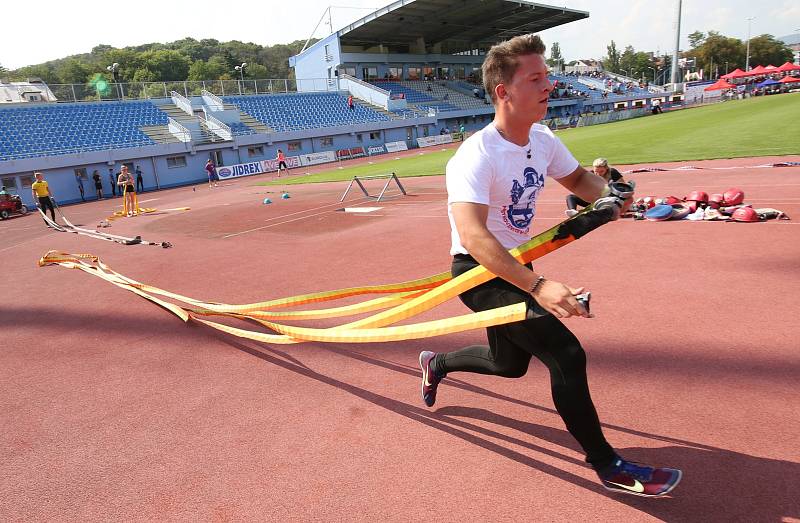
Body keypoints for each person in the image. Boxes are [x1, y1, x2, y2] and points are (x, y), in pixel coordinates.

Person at [418, 33, 681, 498]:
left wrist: (611, 197)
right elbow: (476, 238)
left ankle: (436, 363)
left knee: (508, 364)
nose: (549, 85)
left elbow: (579, 179)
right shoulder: (475, 155)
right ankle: (608, 465)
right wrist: (538, 287)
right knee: (566, 354)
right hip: (480, 271)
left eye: (548, 76)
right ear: (504, 92)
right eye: (536, 78)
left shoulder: (540, 138)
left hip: (519, 262)